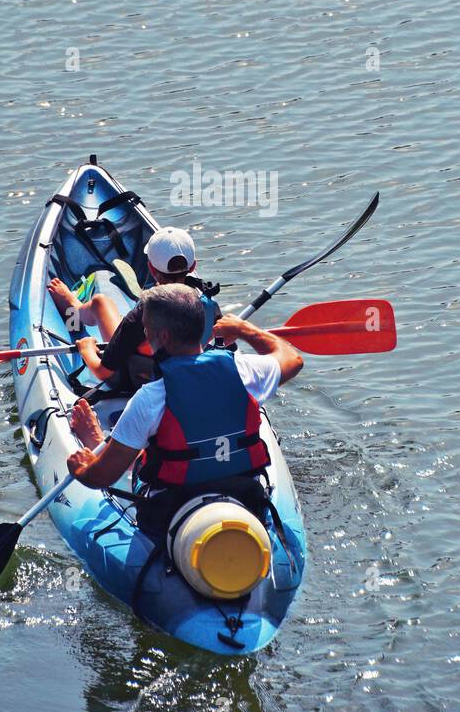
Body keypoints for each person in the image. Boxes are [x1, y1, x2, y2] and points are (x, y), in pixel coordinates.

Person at [65, 285, 302, 528]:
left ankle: (98, 443)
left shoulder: (150, 398)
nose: (146, 332)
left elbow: (101, 477)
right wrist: (245, 330)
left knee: (147, 448)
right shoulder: (246, 371)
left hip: (173, 507)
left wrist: (81, 469)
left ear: (163, 336)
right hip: (244, 497)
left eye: (147, 328)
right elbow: (292, 359)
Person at [47, 226, 219, 389]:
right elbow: (222, 339)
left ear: (151, 267)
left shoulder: (141, 317)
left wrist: (86, 349)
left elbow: (102, 372)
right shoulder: (208, 306)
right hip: (185, 376)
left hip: (137, 378)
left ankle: (73, 306)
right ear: (193, 266)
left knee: (101, 303)